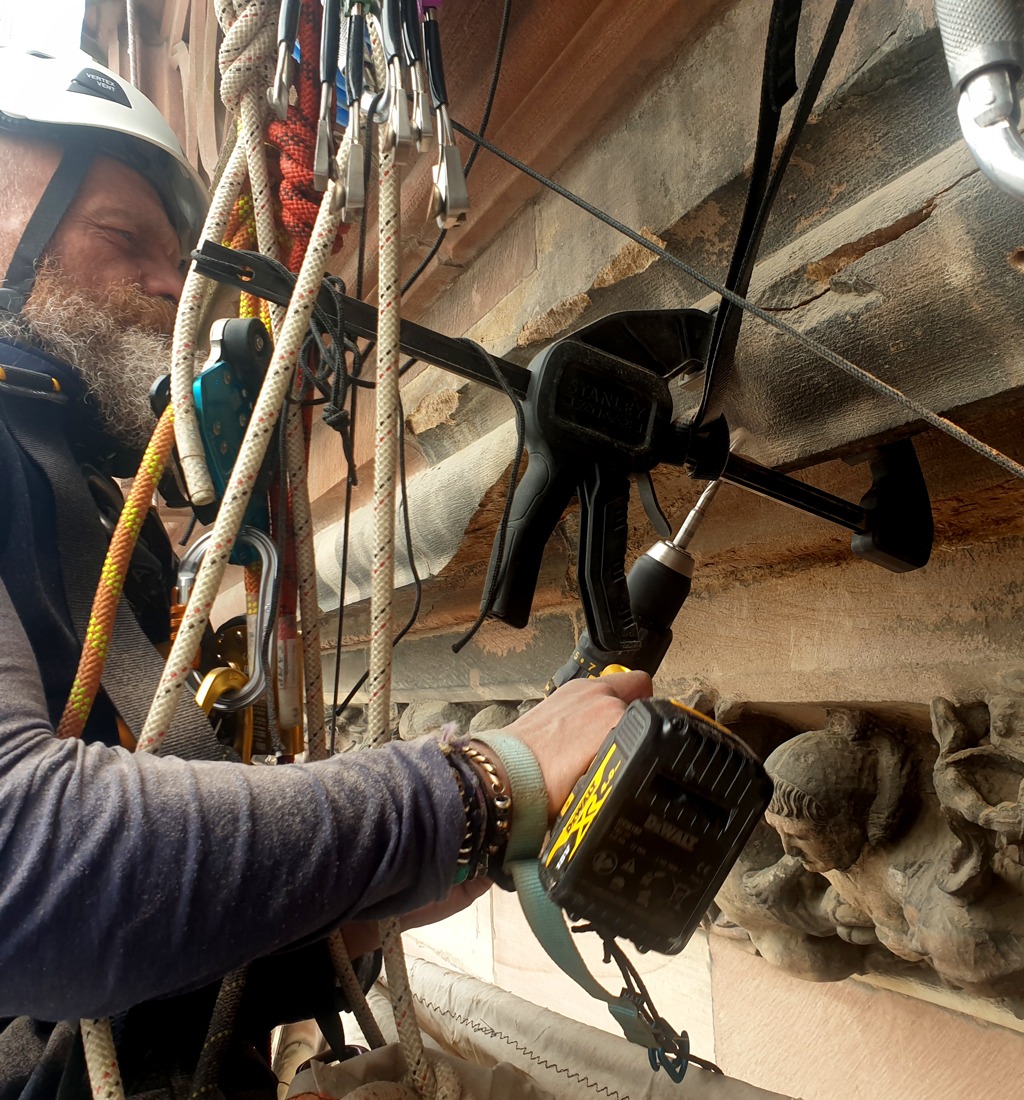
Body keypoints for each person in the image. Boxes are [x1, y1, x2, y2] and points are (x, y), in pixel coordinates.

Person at [0, 46, 652, 1100]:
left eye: (179, 259)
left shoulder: (76, 505)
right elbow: (24, 876)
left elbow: (94, 960)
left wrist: (356, 912)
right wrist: (476, 790)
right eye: (121, 238)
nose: (174, 287)